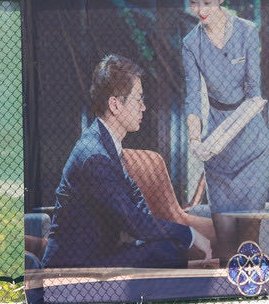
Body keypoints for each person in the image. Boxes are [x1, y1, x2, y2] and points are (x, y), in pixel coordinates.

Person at [40, 54, 213, 269]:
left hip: (98, 256)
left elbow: (137, 204)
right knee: (165, 251)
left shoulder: (107, 144)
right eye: (138, 99)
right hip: (72, 268)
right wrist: (189, 234)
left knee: (166, 247)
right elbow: (134, 222)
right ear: (115, 105)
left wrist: (175, 235)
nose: (143, 107)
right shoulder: (95, 156)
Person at [182, 0, 269, 255]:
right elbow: (193, 97)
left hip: (252, 150)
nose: (200, 10)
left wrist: (224, 135)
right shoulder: (191, 44)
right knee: (225, 245)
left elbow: (254, 93)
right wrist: (195, 140)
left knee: (249, 241)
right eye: (194, 2)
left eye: (207, 1)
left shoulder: (247, 32)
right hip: (218, 157)